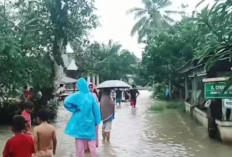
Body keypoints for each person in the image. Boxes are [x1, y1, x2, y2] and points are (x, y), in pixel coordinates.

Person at [64, 78, 101, 157]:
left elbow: (66, 102)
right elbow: (96, 110)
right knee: (92, 143)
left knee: (79, 145)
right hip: (90, 123)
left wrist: (74, 109)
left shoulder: (77, 95)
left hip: (80, 123)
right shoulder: (91, 96)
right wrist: (97, 121)